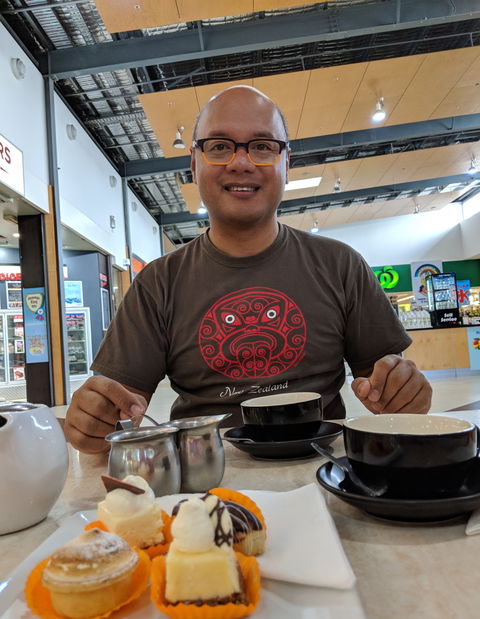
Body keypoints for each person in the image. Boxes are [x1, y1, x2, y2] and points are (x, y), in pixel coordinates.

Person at [64, 85, 432, 454]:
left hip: (323, 467)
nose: (241, 163)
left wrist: (403, 392)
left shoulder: (341, 265)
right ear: (194, 164)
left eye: (263, 146)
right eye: (219, 146)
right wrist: (95, 420)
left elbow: (386, 384)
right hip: (203, 472)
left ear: (286, 163)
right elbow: (120, 409)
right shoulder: (157, 283)